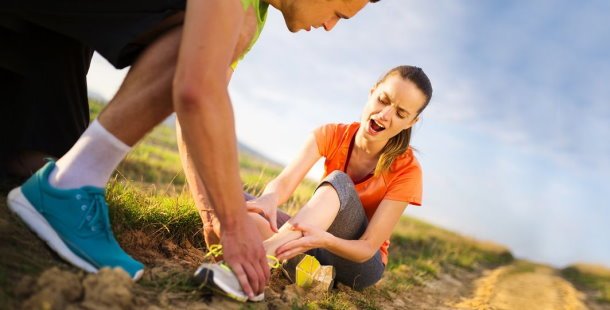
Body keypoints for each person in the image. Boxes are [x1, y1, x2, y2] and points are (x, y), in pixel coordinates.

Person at [3, 0, 381, 301]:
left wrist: (212, 214)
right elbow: (197, 88)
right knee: (216, 30)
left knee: (31, 161)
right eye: (339, 14)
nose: (331, 26)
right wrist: (232, 224)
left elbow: (201, 95)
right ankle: (71, 183)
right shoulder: (243, 17)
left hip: (36, 34)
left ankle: (62, 177)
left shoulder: (256, 11)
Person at [195, 65, 433, 297]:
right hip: (312, 240)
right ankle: (309, 271)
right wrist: (270, 198)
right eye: (383, 100)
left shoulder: (409, 170)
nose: (385, 115)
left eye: (401, 113)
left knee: (339, 181)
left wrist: (326, 240)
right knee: (234, 204)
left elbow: (367, 248)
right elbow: (285, 183)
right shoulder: (330, 134)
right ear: (372, 92)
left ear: (411, 122)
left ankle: (257, 264)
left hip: (358, 264)